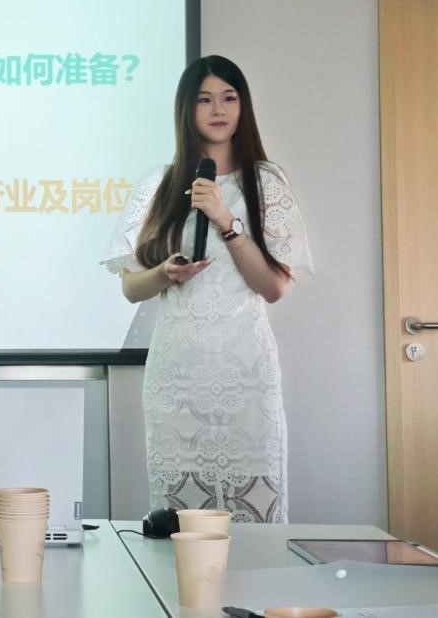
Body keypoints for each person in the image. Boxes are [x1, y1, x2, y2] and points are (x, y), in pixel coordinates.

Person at [100, 55, 313, 522]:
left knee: (254, 519)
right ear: (186, 109)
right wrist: (165, 273)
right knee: (180, 526)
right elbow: (131, 288)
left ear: (243, 106)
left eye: (229, 98)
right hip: (177, 377)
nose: (218, 109)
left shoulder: (266, 181)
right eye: (204, 99)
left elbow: (273, 287)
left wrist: (226, 220)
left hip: (245, 374)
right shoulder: (158, 185)